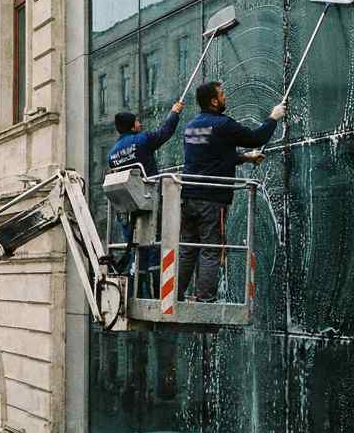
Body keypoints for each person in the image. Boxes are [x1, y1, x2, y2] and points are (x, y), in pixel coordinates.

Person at [179, 82, 282, 302]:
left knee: (187, 249)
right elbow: (256, 138)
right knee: (211, 249)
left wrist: (245, 158)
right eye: (222, 94)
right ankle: (205, 300)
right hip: (212, 199)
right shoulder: (223, 124)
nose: (225, 97)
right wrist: (274, 117)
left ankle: (173, 295)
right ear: (214, 101)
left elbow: (211, 157)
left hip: (188, 197)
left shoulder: (191, 127)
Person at [107, 99, 185, 289]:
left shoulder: (112, 154)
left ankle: (138, 290)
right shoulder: (141, 140)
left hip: (127, 208)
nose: (140, 124)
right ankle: (159, 290)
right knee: (155, 245)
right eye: (137, 121)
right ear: (131, 126)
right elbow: (165, 132)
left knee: (136, 248)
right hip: (149, 202)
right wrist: (174, 112)